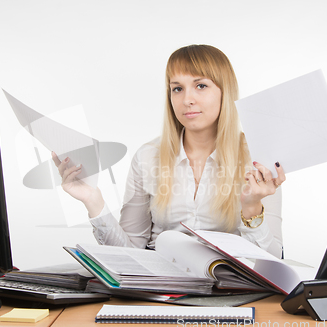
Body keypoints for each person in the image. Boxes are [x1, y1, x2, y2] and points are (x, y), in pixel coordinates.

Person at [52, 44, 286, 258]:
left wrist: (252, 207)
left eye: (201, 86)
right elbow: (128, 255)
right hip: (163, 292)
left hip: (230, 292)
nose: (187, 100)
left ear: (225, 91)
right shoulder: (148, 157)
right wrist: (93, 201)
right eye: (177, 89)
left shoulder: (258, 161)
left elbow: (273, 261)